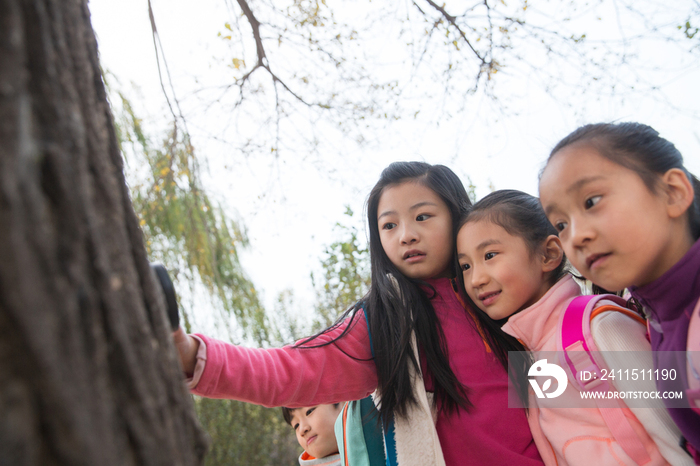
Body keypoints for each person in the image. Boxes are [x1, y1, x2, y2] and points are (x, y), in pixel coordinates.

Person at [173, 161, 543, 465]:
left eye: (423, 216)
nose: (406, 235)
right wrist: (194, 358)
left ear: (457, 215)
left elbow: (574, 398)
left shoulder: (500, 300)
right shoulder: (390, 325)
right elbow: (293, 370)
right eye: (389, 225)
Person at [456, 189, 691, 466]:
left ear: (549, 254)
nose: (475, 279)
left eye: (490, 255)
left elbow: (673, 433)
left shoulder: (601, 324)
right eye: (466, 266)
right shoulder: (530, 353)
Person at [538, 122, 700, 463]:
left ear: (673, 192)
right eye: (561, 224)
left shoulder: (603, 322)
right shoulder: (655, 310)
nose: (576, 236)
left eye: (592, 201)